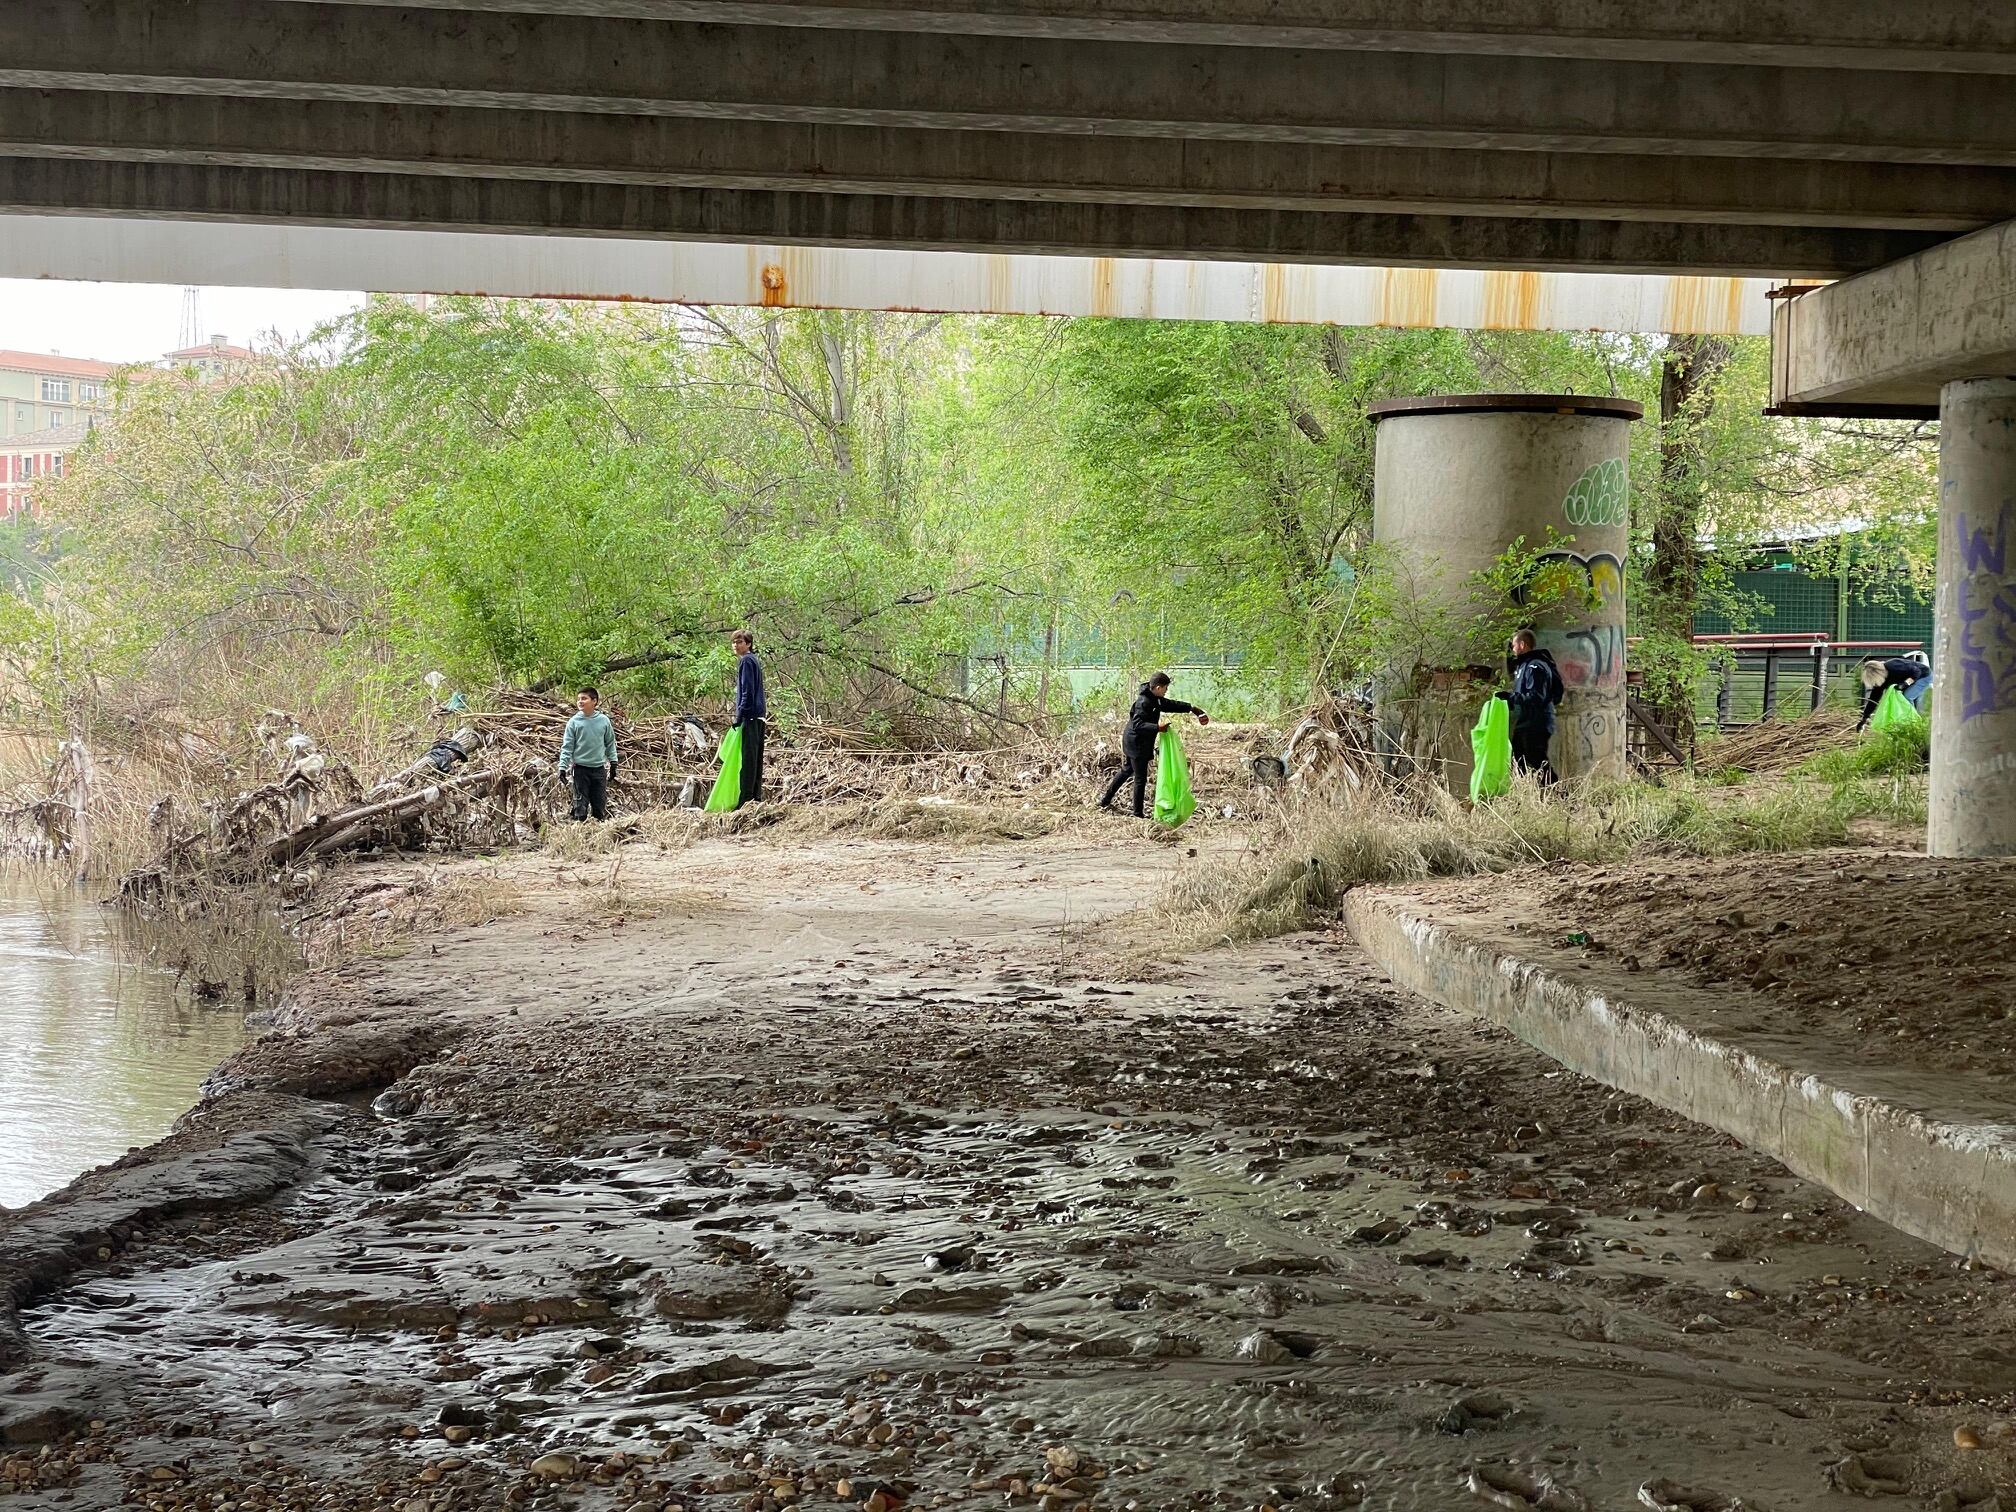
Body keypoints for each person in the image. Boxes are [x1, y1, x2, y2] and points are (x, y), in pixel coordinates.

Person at [1098, 672, 1209, 817]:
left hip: (1134, 741)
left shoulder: (1154, 698)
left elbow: (1170, 704)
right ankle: (1137, 814)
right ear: (1157, 687)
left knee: (1126, 771)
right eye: (1165, 688)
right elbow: (1138, 724)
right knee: (1140, 779)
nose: (1166, 691)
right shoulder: (1143, 702)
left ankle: (1105, 801)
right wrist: (1158, 727)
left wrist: (1192, 709)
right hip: (1136, 744)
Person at [1503, 629, 1565, 782]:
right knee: (1518, 761)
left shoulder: (1535, 667)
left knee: (1537, 760)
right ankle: (1525, 796)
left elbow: (1536, 697)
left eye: (1514, 645)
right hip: (1527, 721)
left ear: (1522, 645)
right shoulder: (1525, 665)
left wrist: (1511, 697)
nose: (1512, 649)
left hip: (1537, 721)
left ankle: (1560, 796)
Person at [558, 686, 617, 821]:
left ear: (594, 701)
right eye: (578, 699)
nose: (580, 702)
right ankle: (580, 834)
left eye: (584, 698)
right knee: (580, 806)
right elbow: (567, 747)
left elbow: (610, 743)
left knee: (599, 806)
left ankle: (599, 835)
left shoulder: (603, 721)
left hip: (598, 769)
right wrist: (562, 768)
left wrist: (613, 763)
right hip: (580, 769)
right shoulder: (574, 722)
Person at [730, 630, 767, 806]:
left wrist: (739, 715)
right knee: (755, 759)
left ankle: (745, 800)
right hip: (759, 716)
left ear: (748, 644)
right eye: (734, 643)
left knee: (748, 760)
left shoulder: (746, 661)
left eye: (739, 642)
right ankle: (755, 797)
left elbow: (747, 691)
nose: (736, 646)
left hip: (751, 717)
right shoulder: (753, 660)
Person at [1856, 650, 1931, 730]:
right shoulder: (1881, 681)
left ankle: (1914, 723)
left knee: (1907, 697)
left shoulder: (1893, 665)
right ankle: (1910, 722)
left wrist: (1905, 684)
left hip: (1923, 676)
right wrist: (1864, 718)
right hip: (1911, 680)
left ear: (1877, 673)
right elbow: (1873, 699)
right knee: (1901, 698)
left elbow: (1917, 672)